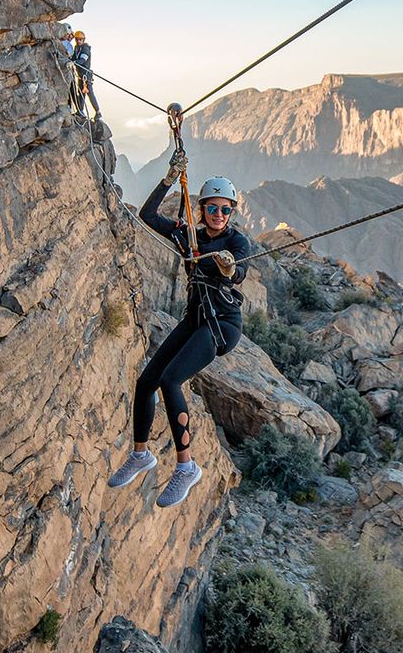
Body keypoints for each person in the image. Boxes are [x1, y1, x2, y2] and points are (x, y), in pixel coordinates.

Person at [107, 151, 251, 507]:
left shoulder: (236, 244)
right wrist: (170, 176)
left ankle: (186, 467)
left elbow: (240, 273)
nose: (219, 215)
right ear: (202, 209)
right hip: (195, 319)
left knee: (171, 381)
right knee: (146, 382)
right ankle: (141, 454)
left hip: (221, 324)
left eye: (225, 209)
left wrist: (229, 268)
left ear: (232, 212)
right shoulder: (188, 235)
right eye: (212, 208)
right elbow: (148, 215)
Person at [71, 30, 101, 119]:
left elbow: (82, 60)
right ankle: (80, 111)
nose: (79, 41)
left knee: (89, 93)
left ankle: (98, 112)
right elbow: (73, 58)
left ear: (83, 40)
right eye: (77, 39)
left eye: (80, 39)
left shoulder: (85, 49)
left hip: (86, 76)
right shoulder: (76, 48)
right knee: (80, 93)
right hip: (80, 76)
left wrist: (74, 63)